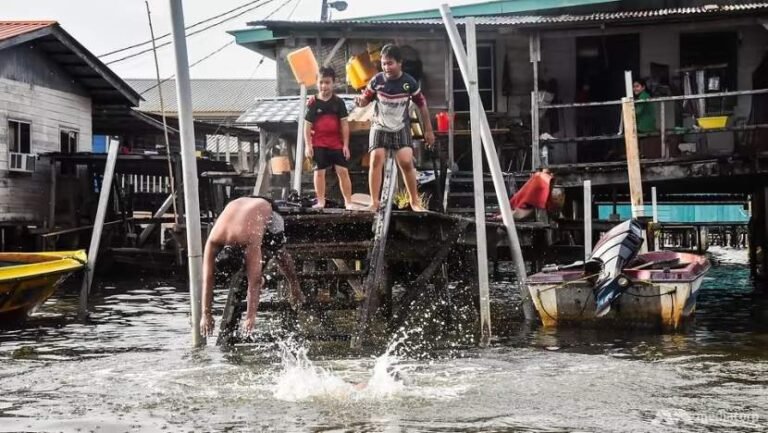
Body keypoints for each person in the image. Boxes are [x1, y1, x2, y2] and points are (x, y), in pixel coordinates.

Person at [200, 197, 303, 336]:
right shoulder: (213, 240)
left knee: (279, 252)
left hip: (267, 209)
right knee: (258, 264)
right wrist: (205, 314)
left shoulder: (249, 240)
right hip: (242, 203)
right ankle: (266, 279)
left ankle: (294, 286)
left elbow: (253, 282)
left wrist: (250, 317)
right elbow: (207, 278)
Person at [355, 44, 435, 212]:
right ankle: (374, 202)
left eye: (390, 63)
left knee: (406, 162)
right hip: (380, 125)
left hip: (400, 126)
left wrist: (428, 130)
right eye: (384, 64)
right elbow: (365, 99)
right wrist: (360, 101)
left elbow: (422, 105)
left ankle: (414, 201)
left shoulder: (409, 82)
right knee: (376, 159)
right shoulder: (377, 80)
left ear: (400, 63)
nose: (386, 67)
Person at [304, 67, 353, 209]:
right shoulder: (313, 103)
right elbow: (306, 127)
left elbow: (344, 125)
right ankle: (320, 201)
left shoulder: (339, 103)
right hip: (318, 143)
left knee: (343, 171)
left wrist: (345, 145)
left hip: (336, 143)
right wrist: (308, 145)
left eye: (327, 82)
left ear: (333, 83)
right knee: (319, 173)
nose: (324, 86)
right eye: (321, 82)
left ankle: (348, 202)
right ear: (316, 83)